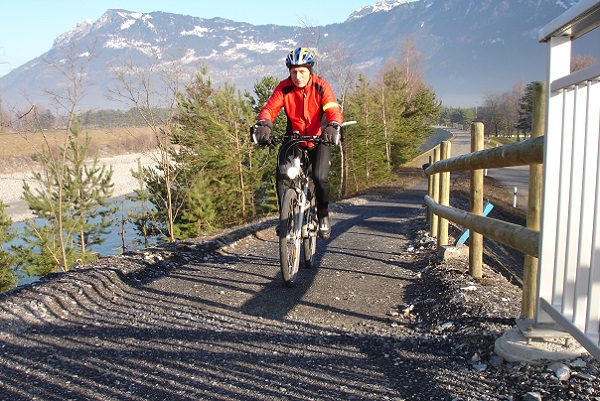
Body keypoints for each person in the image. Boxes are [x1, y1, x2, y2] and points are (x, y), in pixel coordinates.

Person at [253, 47, 344, 239]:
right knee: (282, 174)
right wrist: (264, 124)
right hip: (293, 140)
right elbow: (270, 108)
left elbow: (333, 109)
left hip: (319, 139)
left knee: (319, 177)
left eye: (302, 71)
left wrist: (333, 125)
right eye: (294, 71)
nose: (298, 76)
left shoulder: (321, 86)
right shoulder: (284, 88)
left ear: (309, 70)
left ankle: (322, 214)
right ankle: (284, 218)